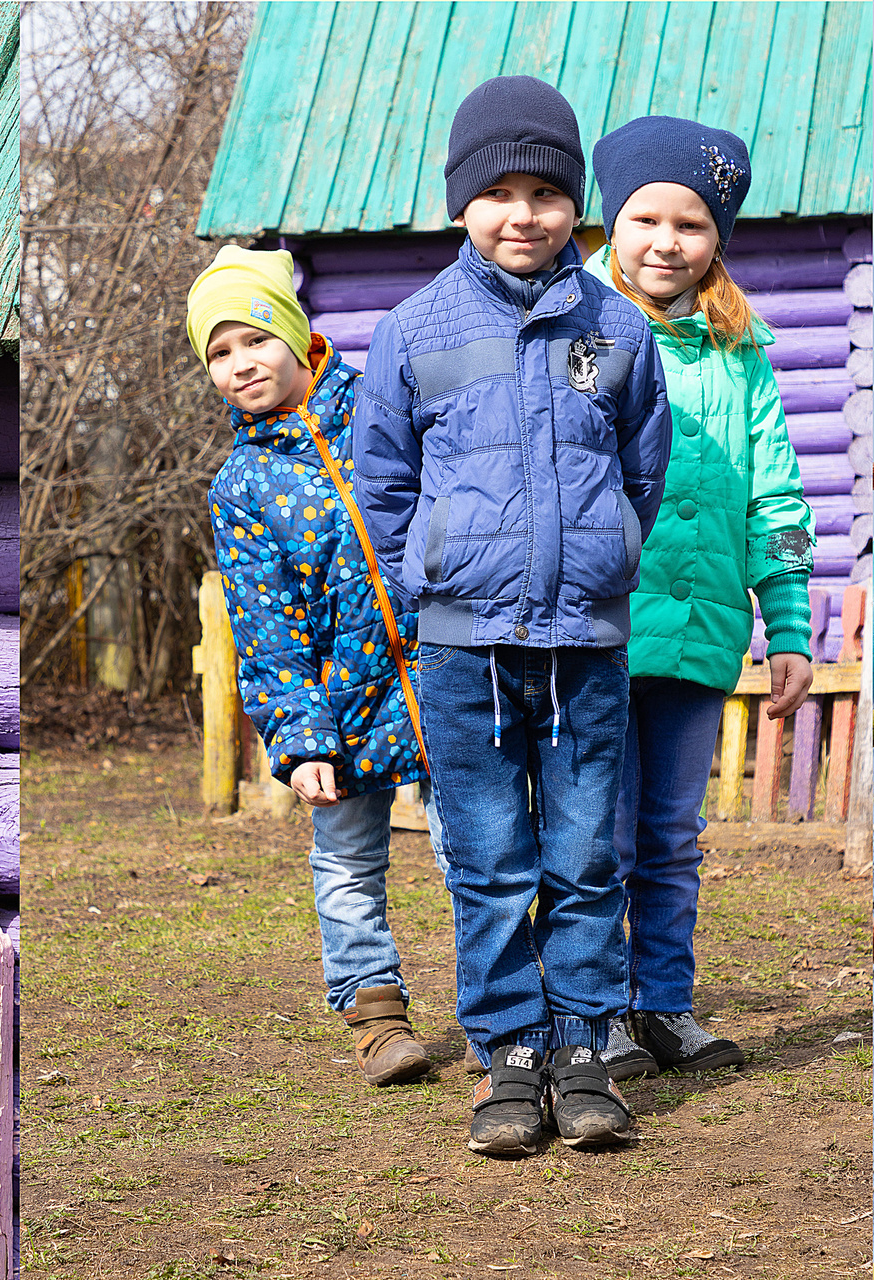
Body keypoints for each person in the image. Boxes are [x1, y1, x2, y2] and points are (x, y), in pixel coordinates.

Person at [354, 74, 671, 1157]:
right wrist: (425, 589)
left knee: (584, 854)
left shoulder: (619, 328)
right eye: (499, 191)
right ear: (461, 203)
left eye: (545, 192)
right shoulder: (411, 332)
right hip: (464, 649)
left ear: (573, 204)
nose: (522, 214)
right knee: (488, 857)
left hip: (583, 641)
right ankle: (509, 1053)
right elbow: (385, 483)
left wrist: (602, 564)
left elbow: (641, 471)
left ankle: (583, 1046)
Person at [583, 115, 814, 1080]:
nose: (665, 242)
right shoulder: (580, 326)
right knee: (592, 830)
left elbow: (779, 491)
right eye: (645, 219)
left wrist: (789, 620)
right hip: (598, 624)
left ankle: (661, 1007)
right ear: (612, 224)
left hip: (703, 628)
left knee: (671, 835)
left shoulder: (740, 352)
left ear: (717, 239)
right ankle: (588, 1015)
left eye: (691, 224)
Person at [189, 244, 435, 1088]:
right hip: (341, 699)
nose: (238, 365)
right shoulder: (243, 484)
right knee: (346, 861)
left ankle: (513, 1003)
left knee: (480, 845)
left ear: (296, 336)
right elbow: (266, 625)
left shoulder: (384, 411)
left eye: (251, 340)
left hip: (446, 676)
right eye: (217, 354)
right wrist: (301, 739)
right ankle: (377, 1018)